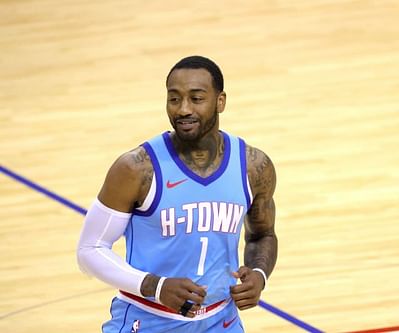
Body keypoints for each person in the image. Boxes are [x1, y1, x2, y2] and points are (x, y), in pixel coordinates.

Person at [77, 55, 278, 333]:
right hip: (148, 319)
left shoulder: (254, 166)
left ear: (220, 101)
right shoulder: (136, 169)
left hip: (222, 321)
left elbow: (262, 234)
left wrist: (259, 273)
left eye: (196, 99)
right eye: (174, 99)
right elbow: (90, 250)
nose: (183, 109)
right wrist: (154, 286)